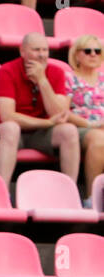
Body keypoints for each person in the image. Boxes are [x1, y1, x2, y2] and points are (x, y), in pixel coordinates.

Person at [0, 33, 80, 189]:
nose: (42, 55)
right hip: (4, 131)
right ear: (22, 51)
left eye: (45, 50)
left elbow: (58, 114)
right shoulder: (6, 71)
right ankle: (2, 190)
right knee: (11, 128)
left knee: (69, 131)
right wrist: (47, 123)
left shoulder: (56, 72)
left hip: (39, 133)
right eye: (36, 50)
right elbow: (8, 116)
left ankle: (70, 190)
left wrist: (42, 81)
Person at [65, 33, 104, 203]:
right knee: (99, 140)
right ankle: (91, 198)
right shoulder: (68, 78)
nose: (93, 54)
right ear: (77, 55)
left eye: (97, 51)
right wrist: (90, 124)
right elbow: (63, 112)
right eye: (88, 51)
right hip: (81, 127)